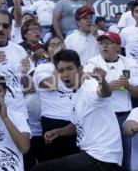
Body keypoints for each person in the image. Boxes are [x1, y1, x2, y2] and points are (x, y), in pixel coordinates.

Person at [30, 49, 123, 171]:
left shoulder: (90, 86)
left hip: (101, 158)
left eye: (69, 68)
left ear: (80, 69)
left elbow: (104, 93)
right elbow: (75, 126)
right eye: (61, 70)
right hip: (93, 156)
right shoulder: (76, 94)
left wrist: (102, 81)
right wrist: (58, 132)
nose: (65, 74)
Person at [84, 32, 138, 170]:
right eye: (101, 43)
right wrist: (107, 86)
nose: (104, 46)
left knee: (126, 157)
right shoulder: (92, 64)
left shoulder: (130, 63)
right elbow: (87, 92)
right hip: (101, 118)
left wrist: (128, 86)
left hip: (124, 116)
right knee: (104, 157)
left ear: (118, 47)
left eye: (109, 43)